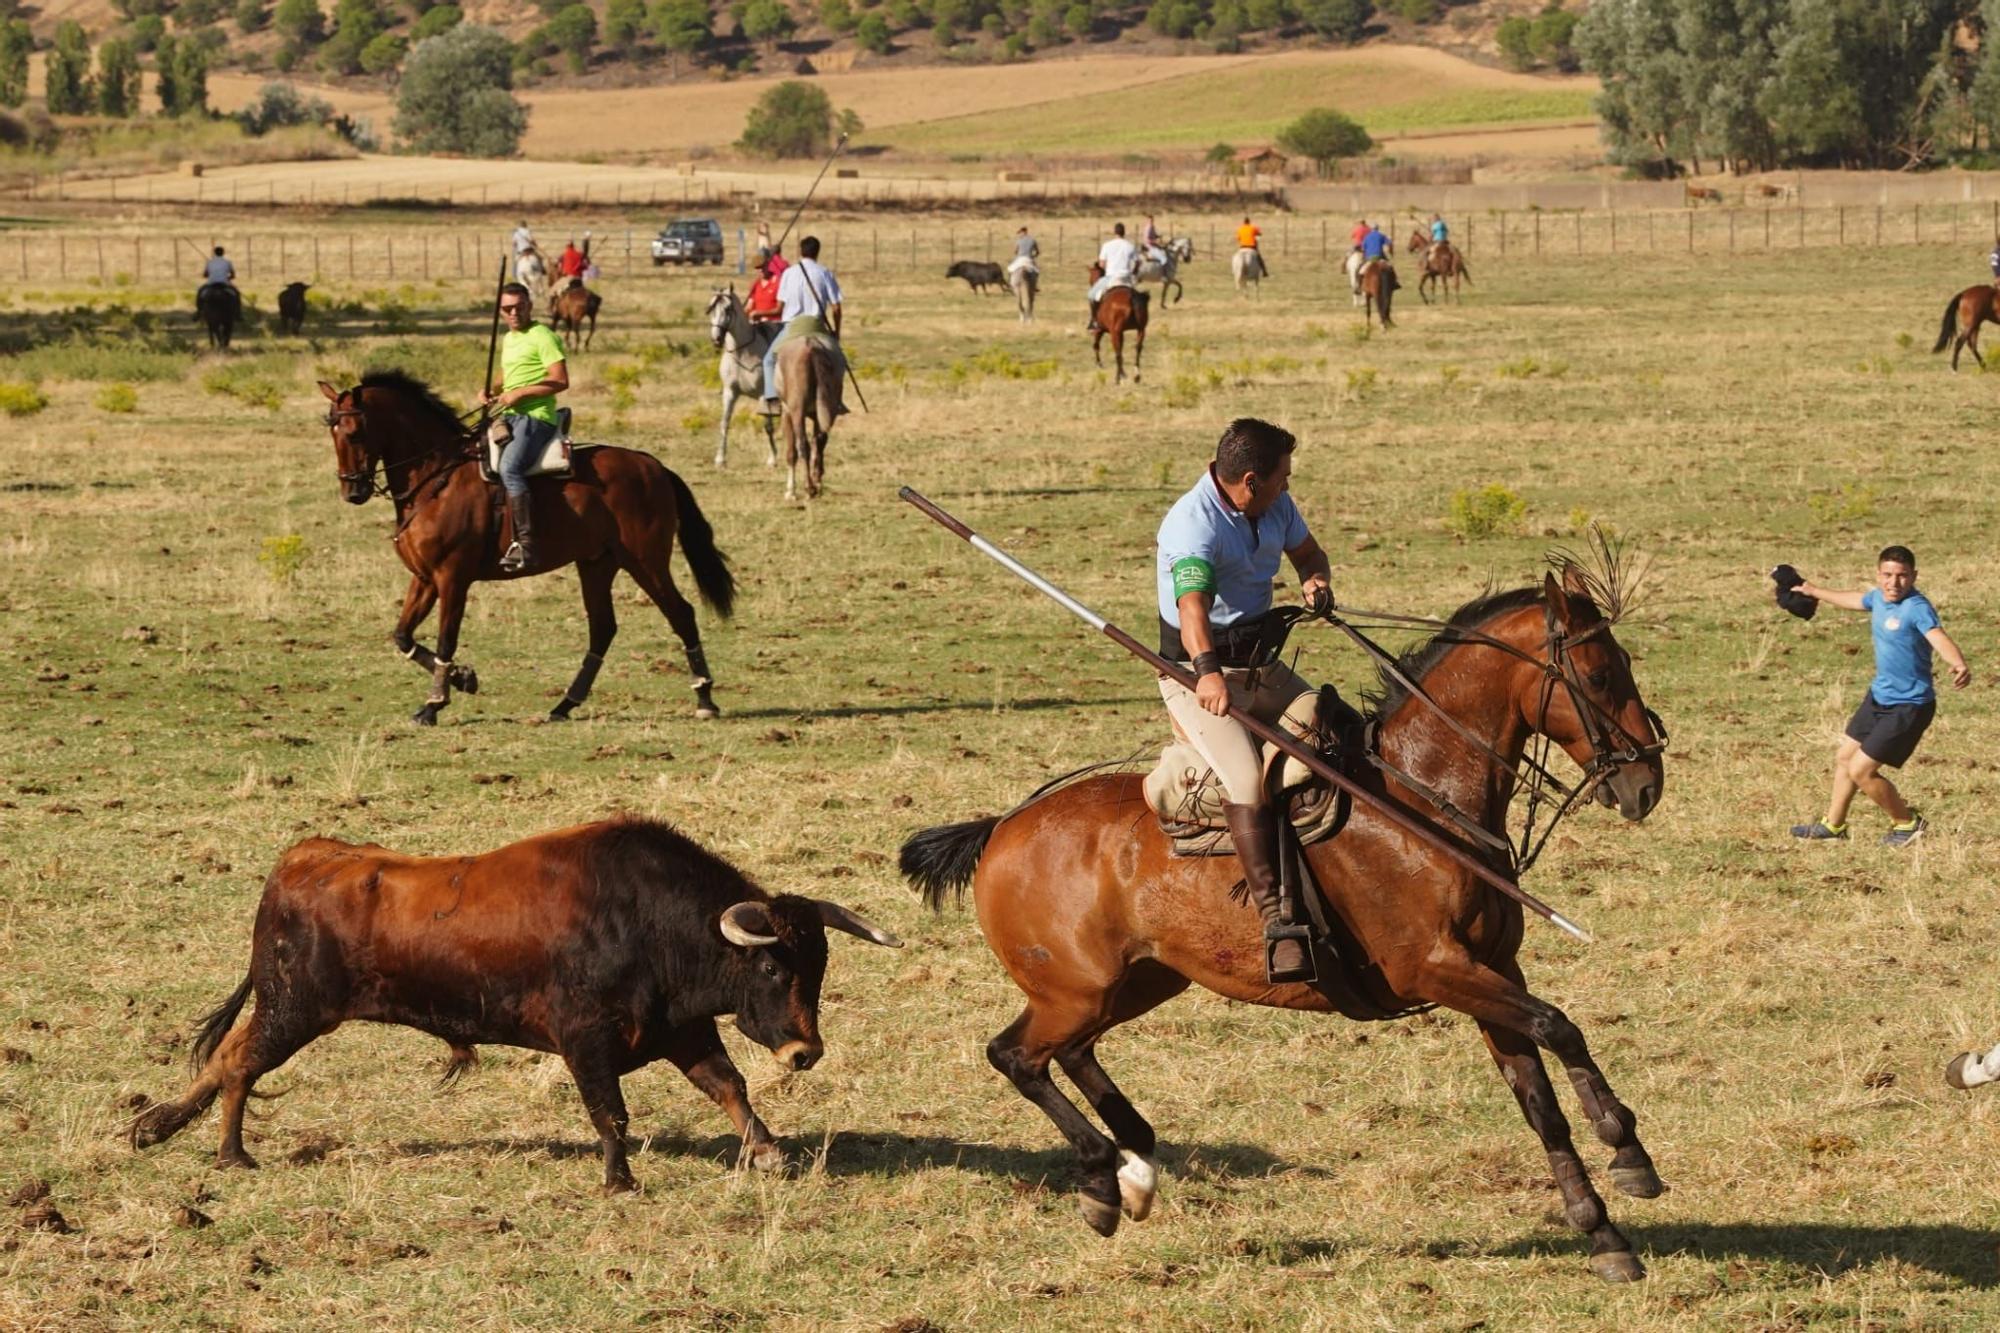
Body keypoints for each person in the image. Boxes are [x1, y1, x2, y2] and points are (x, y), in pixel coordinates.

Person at [1156, 418, 1335, 984]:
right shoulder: (1192, 525)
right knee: (1246, 781)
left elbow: (1309, 552)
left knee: (1334, 728)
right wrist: (1207, 676)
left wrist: (1314, 581)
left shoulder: (1275, 506)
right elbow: (1191, 611)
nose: (1289, 486)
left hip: (1262, 664)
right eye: (1282, 478)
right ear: (1251, 480)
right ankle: (1277, 921)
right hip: (1197, 672)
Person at [1786, 545, 1970, 845]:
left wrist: (1958, 663)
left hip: (1909, 705)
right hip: (1879, 697)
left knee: (1862, 770)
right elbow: (1854, 600)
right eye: (1887, 575)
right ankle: (1833, 827)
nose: (1893, 583)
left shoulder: (1917, 607)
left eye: (1901, 576)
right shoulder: (1878, 599)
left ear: (1913, 576)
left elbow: (1938, 636)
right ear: (1878, 575)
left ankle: (1907, 823)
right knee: (1845, 757)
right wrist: (1814, 590)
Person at [481, 282, 569, 574]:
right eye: (507, 308)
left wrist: (521, 394)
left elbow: (560, 379)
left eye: (519, 306)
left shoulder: (543, 336)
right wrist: (491, 390)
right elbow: (510, 373)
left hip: (536, 417)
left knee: (510, 469)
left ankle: (528, 546)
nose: (514, 313)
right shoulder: (509, 338)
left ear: (530, 305)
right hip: (507, 416)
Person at [759, 234, 844, 416]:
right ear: (817, 253)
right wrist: (836, 332)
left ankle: (771, 400)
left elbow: (780, 307)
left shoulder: (789, 273)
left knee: (768, 360)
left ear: (800, 252)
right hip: (817, 326)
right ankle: (837, 401)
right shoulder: (825, 273)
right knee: (839, 360)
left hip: (792, 327)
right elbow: (836, 308)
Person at [1086, 222, 1138, 331]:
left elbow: (1102, 264)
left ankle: (1094, 321)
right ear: (1124, 232)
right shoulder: (1130, 246)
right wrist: (1133, 272)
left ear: (1114, 232)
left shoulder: (1107, 245)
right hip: (1126, 278)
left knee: (1091, 295)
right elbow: (1137, 263)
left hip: (1111, 277)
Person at [195, 245, 236, 314]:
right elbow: (233, 275)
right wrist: (228, 278)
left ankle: (199, 312)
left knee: (200, 292)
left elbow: (205, 275)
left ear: (214, 253)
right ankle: (238, 313)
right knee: (236, 294)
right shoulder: (228, 262)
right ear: (223, 253)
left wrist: (211, 275)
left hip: (211, 283)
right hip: (224, 283)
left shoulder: (209, 262)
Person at [746, 252, 784, 324]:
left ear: (767, 265)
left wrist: (760, 313)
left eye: (762, 267)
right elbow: (749, 306)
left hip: (774, 324)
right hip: (757, 324)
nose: (760, 270)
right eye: (757, 268)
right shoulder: (755, 284)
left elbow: (779, 309)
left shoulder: (778, 282)